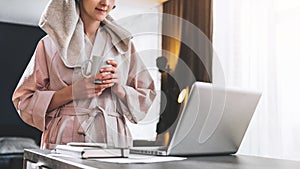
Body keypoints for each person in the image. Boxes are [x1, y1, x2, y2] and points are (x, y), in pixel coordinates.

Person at [12, 0, 156, 149]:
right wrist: (71, 92)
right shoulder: (50, 45)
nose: (105, 2)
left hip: (114, 141)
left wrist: (119, 88)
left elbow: (146, 97)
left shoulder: (123, 46)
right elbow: (24, 100)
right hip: (63, 140)